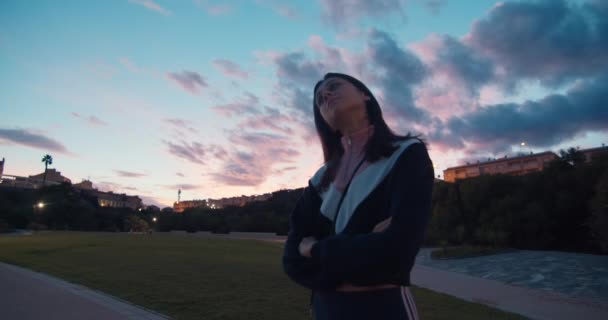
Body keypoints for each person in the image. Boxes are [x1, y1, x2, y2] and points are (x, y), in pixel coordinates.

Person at [282, 72, 434, 320]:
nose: (326, 95)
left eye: (334, 86)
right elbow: (292, 260)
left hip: (382, 308)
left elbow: (397, 253)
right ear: (323, 120)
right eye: (320, 99)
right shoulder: (320, 179)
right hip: (325, 310)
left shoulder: (406, 155)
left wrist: (315, 249)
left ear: (365, 94)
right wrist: (361, 248)